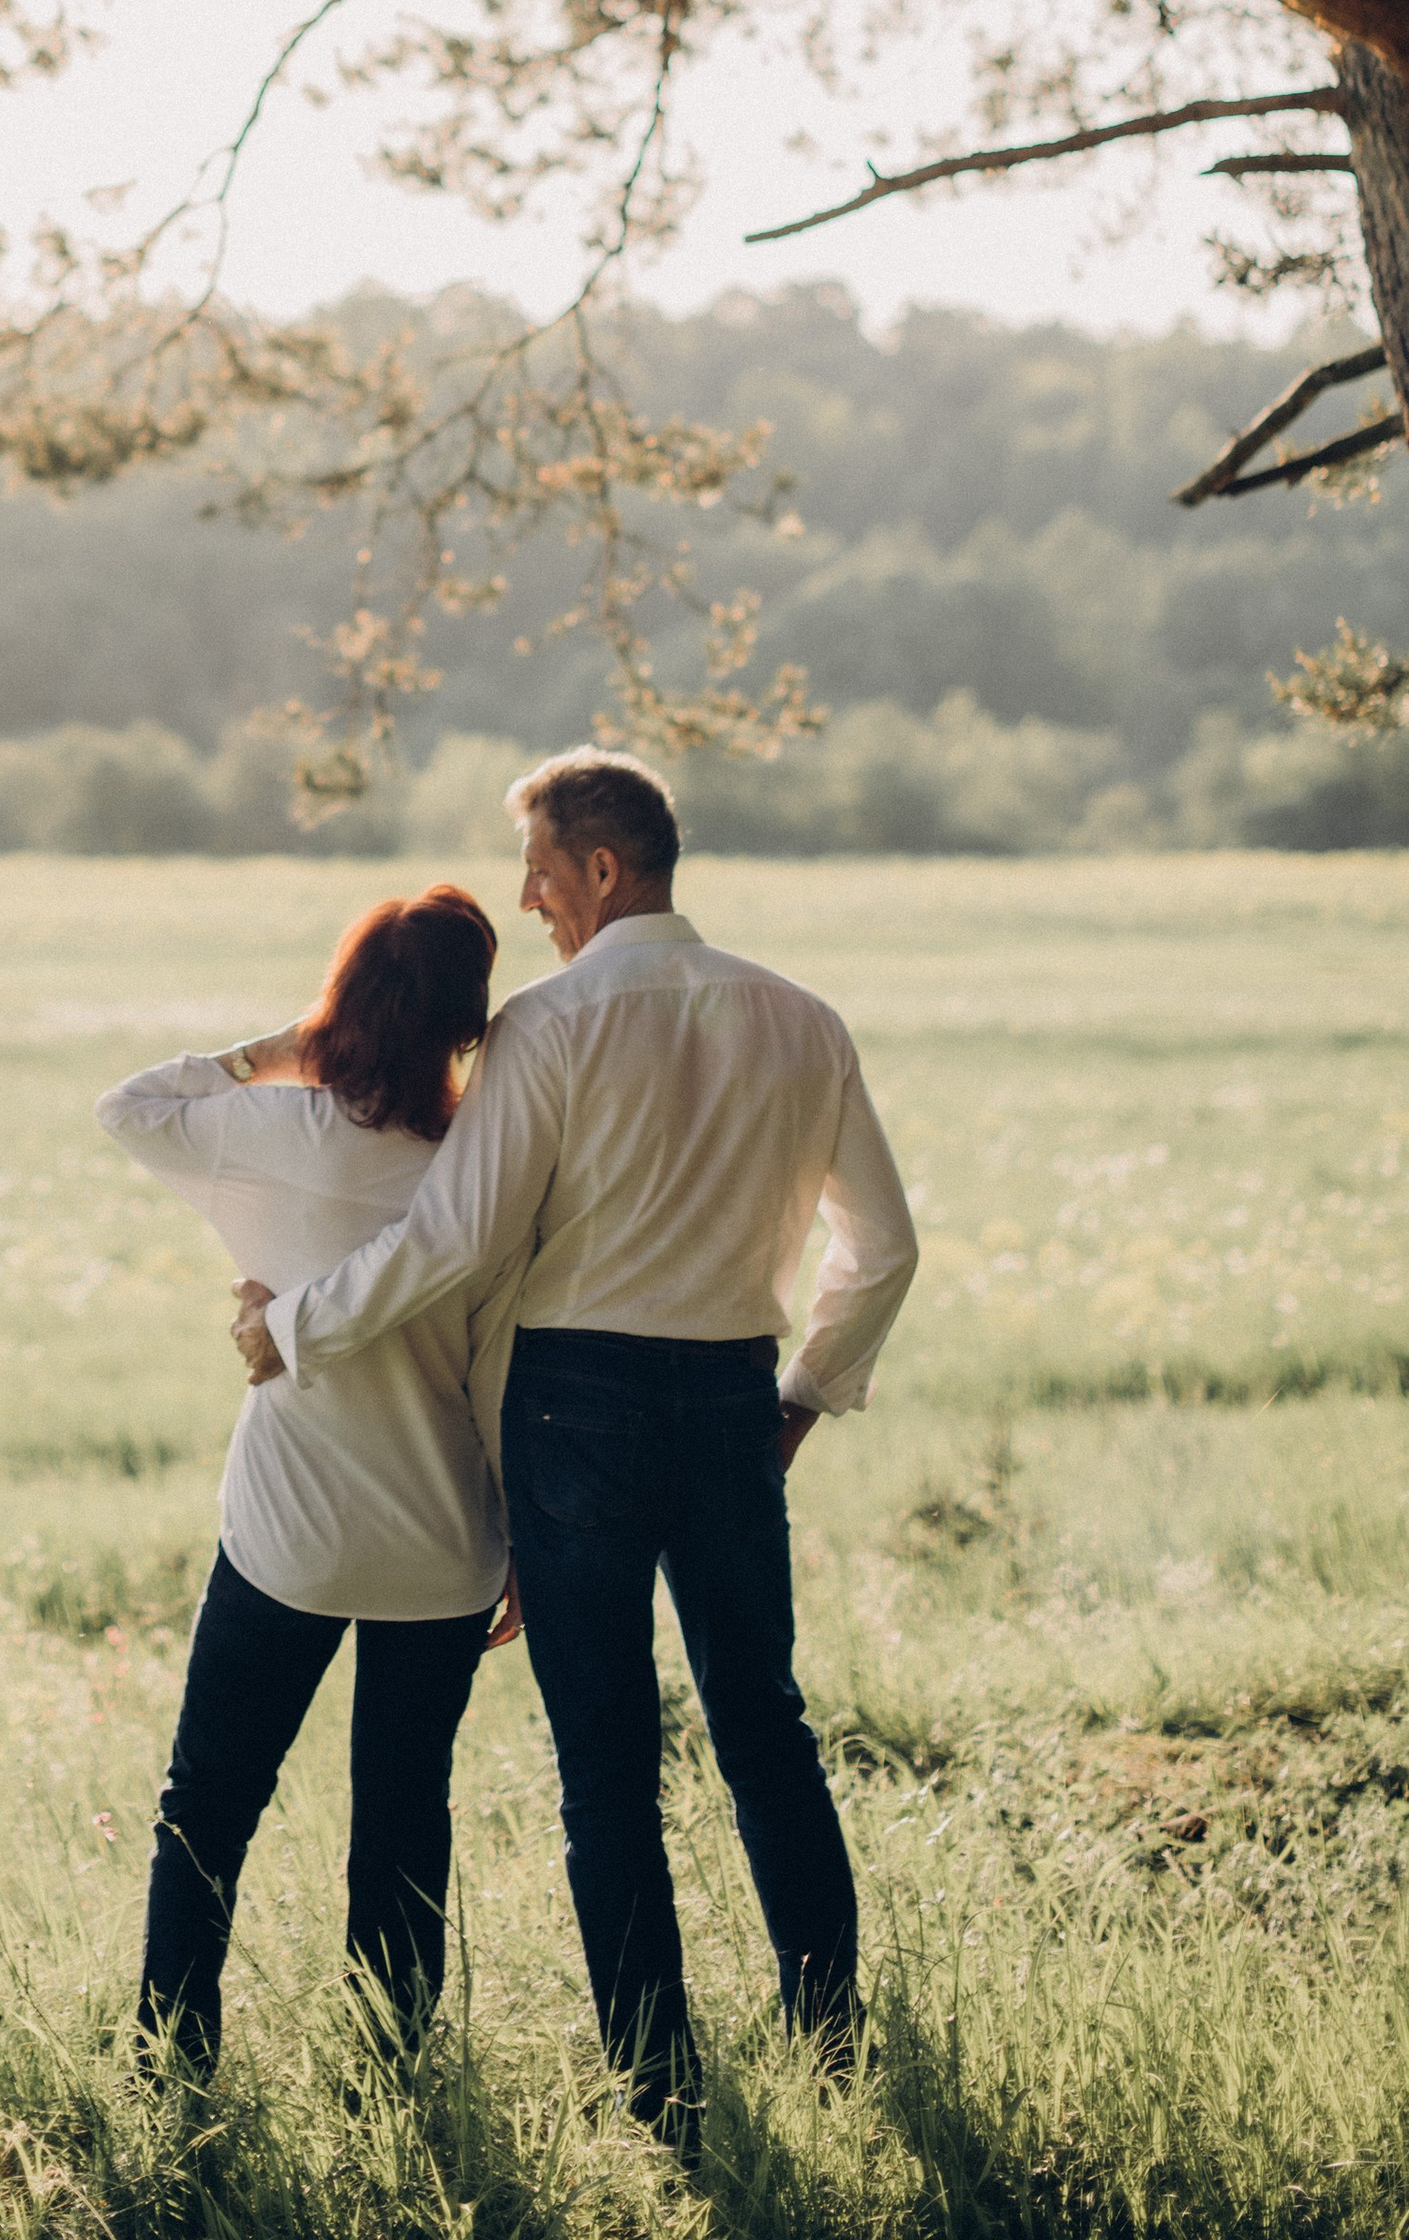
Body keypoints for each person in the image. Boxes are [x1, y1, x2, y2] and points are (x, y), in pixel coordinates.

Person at [233, 750, 918, 2148]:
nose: (529, 900)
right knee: (764, 1728)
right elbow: (886, 1250)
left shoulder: (546, 1027)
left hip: (574, 1409)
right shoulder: (802, 1019)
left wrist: (295, 1326)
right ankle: (834, 2043)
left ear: (604, 868)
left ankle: (661, 2092)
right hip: (734, 1400)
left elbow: (457, 1241)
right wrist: (798, 1400)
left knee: (605, 1761)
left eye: (540, 870)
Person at [95, 884, 523, 2076]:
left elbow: (125, 1106)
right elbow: (497, 1376)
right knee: (400, 1819)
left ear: (346, 1001)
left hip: (287, 1533)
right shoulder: (482, 1178)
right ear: (464, 1024)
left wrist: (280, 1048)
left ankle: (171, 2055)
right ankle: (390, 2067)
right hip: (442, 1539)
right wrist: (524, 1540)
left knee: (210, 1804)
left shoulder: (268, 1133)